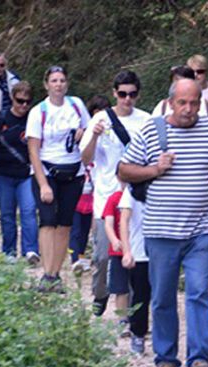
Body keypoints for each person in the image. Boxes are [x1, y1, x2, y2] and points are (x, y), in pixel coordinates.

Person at [118, 78, 208, 367]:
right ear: (171, 102)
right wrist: (154, 169)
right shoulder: (151, 129)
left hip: (201, 230)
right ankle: (165, 360)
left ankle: (200, 360)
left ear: (201, 103)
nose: (189, 109)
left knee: (199, 292)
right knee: (162, 297)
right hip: (161, 232)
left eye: (194, 103)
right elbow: (123, 170)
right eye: (183, 103)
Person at [80, 71, 149, 316]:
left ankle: (129, 310)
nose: (127, 99)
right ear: (114, 93)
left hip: (136, 197)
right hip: (106, 196)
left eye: (132, 94)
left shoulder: (146, 120)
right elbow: (85, 158)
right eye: (122, 94)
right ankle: (100, 293)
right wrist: (95, 136)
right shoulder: (100, 119)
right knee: (102, 255)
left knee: (133, 255)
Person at [26, 65, 90, 292]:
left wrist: (84, 133)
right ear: (46, 85)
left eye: (62, 80)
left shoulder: (76, 105)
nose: (58, 85)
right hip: (47, 170)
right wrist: (43, 184)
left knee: (65, 223)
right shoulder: (38, 111)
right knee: (47, 221)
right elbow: (33, 149)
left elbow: (88, 128)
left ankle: (56, 273)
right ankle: (47, 273)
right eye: (54, 81)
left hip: (73, 171)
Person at [0, 81, 39, 264]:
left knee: (29, 211)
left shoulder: (34, 118)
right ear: (12, 99)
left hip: (26, 172)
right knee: (7, 213)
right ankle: (9, 251)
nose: (23, 106)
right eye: (20, 101)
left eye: (27, 102)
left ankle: (31, 250)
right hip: (3, 172)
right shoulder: (0, 118)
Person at [68, 94, 111, 272]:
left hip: (97, 188)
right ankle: (75, 256)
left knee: (90, 225)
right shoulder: (82, 133)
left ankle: (87, 255)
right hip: (80, 186)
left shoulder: (111, 134)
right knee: (77, 226)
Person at [119, 187, 150, 355]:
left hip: (162, 250)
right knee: (140, 296)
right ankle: (138, 334)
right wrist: (127, 250)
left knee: (163, 297)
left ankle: (163, 339)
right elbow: (124, 220)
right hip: (139, 252)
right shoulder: (131, 190)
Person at [102, 180, 130, 336]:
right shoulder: (114, 198)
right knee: (120, 288)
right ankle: (122, 320)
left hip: (137, 250)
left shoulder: (140, 197)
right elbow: (108, 223)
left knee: (139, 287)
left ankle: (138, 318)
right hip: (118, 252)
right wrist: (114, 240)